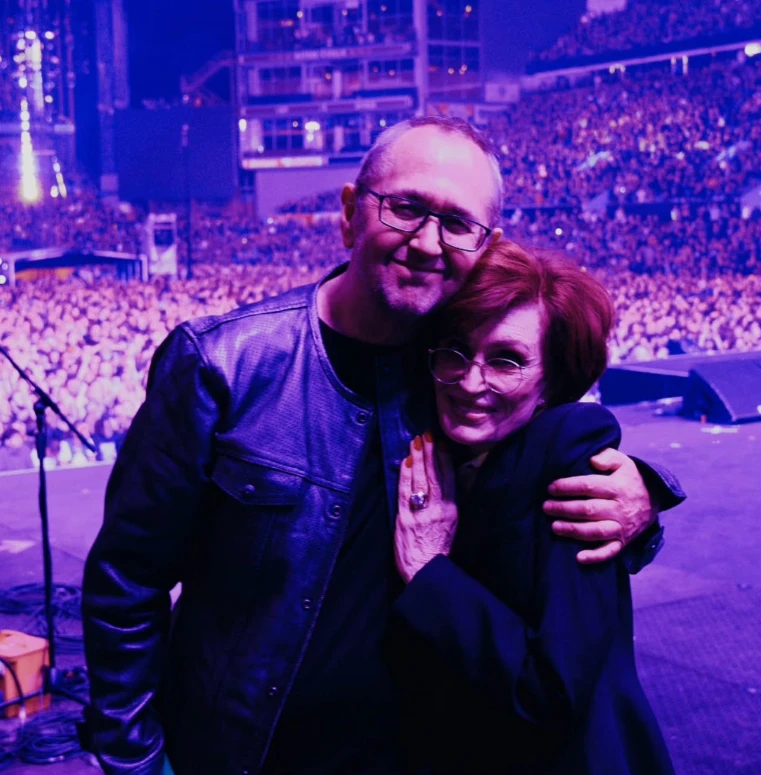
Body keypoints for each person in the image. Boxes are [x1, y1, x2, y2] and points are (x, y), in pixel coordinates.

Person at [81, 116, 684, 775]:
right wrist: (138, 762)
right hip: (243, 755)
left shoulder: (459, 371)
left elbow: (545, 480)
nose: (427, 242)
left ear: (486, 246)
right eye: (405, 207)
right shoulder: (223, 364)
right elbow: (126, 581)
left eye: (456, 223)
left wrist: (639, 499)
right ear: (350, 213)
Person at [389, 240, 675, 773]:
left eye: (507, 361)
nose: (471, 382)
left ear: (552, 383)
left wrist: (431, 573)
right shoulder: (437, 447)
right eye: (455, 351)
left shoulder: (569, 454)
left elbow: (551, 692)